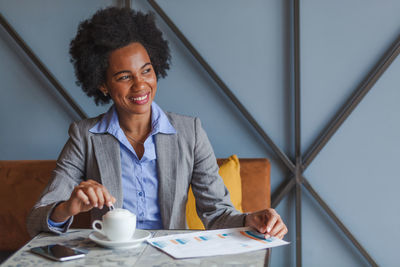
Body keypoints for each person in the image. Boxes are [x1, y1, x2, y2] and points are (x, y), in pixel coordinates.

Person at [27, 7, 287, 240]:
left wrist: (249, 219)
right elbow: (36, 220)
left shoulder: (190, 132)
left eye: (146, 70)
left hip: (170, 256)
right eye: (124, 76)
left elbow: (216, 213)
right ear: (103, 85)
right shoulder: (85, 136)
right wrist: (68, 207)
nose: (140, 85)